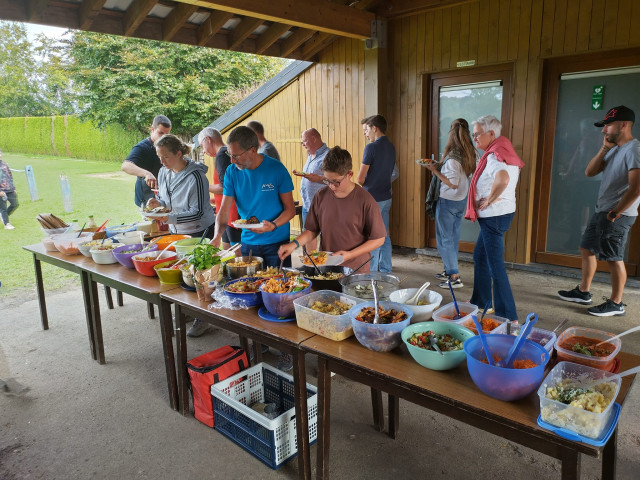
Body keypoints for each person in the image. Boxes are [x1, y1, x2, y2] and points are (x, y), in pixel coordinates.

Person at [211, 126, 296, 370]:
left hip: (277, 243)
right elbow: (224, 210)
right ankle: (262, 343)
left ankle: (286, 348)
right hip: (249, 244)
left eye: (236, 155)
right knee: (253, 296)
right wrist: (218, 236)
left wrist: (273, 226)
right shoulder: (231, 172)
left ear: (253, 149)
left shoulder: (275, 169)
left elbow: (290, 210)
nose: (232, 159)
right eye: (230, 154)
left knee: (280, 298)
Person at [558, 105, 640, 317]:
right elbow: (589, 171)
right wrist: (604, 148)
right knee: (586, 248)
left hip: (618, 214)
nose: (603, 130)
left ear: (623, 125)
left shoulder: (634, 149)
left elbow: (637, 187)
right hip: (603, 210)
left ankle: (616, 303)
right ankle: (583, 292)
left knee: (614, 257)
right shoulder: (614, 148)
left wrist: (617, 211)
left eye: (608, 126)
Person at [146, 134, 216, 338]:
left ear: (179, 153)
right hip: (176, 232)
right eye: (159, 157)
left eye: (166, 156)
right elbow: (164, 199)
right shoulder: (163, 172)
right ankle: (188, 310)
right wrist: (156, 204)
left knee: (200, 277)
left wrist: (168, 217)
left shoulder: (196, 177)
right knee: (182, 275)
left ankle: (202, 317)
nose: (162, 161)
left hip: (198, 230)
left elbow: (198, 211)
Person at [278, 146, 386, 272]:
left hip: (356, 269)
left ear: (349, 174)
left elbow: (378, 239)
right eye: (327, 180)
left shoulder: (366, 200)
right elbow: (312, 230)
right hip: (327, 266)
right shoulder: (320, 196)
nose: (331, 186)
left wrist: (350, 254)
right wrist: (293, 244)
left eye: (336, 182)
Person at [465, 115, 524, 321]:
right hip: (499, 214)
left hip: (494, 216)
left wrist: (489, 200)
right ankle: (481, 302)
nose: (475, 139)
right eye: (473, 135)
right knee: (480, 256)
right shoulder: (503, 149)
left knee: (495, 265)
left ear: (491, 134)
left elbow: (503, 178)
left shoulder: (494, 155)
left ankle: (508, 316)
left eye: (477, 134)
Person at [422, 118, 476, 288]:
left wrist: (434, 170)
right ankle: (448, 269)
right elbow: (460, 177)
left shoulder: (452, 158)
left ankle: (454, 277)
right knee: (452, 238)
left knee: (444, 240)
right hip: (461, 201)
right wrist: (439, 166)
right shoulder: (470, 153)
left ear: (451, 135)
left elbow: (452, 183)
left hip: (448, 201)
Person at [357, 115, 397, 273]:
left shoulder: (371, 148)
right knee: (384, 235)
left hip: (372, 199)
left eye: (366, 130)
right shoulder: (391, 146)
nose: (365, 134)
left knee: (373, 237)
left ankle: (370, 273)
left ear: (375, 128)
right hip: (387, 197)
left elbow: (360, 178)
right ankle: (386, 270)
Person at [198, 127, 241, 250]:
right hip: (228, 212)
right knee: (227, 251)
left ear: (208, 139)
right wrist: (215, 199)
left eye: (202, 146)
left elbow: (225, 188)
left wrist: (203, 186)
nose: (204, 151)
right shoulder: (226, 152)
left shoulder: (222, 155)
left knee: (233, 254)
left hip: (231, 213)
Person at [121, 115, 172, 207]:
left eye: (166, 134)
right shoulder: (141, 148)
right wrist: (146, 174)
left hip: (164, 197)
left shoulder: (167, 146)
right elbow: (126, 166)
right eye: (160, 133)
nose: (164, 138)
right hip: (147, 199)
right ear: (152, 129)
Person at [298, 128, 330, 252]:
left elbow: (336, 179)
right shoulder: (310, 155)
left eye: (304, 141)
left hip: (323, 205)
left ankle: (325, 265)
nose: (303, 144)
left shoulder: (328, 155)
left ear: (314, 139)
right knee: (308, 235)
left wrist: (319, 179)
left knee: (326, 236)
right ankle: (311, 265)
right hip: (307, 205)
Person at [0, 149, 18, 230]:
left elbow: (10, 176)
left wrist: (13, 188)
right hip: (1, 190)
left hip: (9, 189)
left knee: (15, 204)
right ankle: (6, 224)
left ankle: (4, 216)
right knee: (3, 207)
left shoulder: (5, 164)